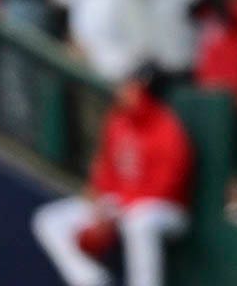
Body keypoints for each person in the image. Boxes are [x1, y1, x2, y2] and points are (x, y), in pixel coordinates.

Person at [32, 64, 194, 286]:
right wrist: (99, 204)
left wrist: (119, 209)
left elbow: (168, 186)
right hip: (120, 204)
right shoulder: (118, 120)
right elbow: (106, 170)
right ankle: (90, 279)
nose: (124, 91)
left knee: (139, 221)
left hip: (165, 209)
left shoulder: (167, 128)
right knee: (49, 220)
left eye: (132, 87)